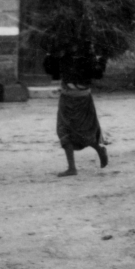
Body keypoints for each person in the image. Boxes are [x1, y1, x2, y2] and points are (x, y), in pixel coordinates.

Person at [43, 45, 109, 176]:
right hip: (67, 97)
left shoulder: (87, 56)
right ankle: (72, 167)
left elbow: (97, 74)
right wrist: (49, 54)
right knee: (63, 130)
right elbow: (52, 71)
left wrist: (103, 59)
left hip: (81, 99)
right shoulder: (65, 56)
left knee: (83, 130)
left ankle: (100, 150)